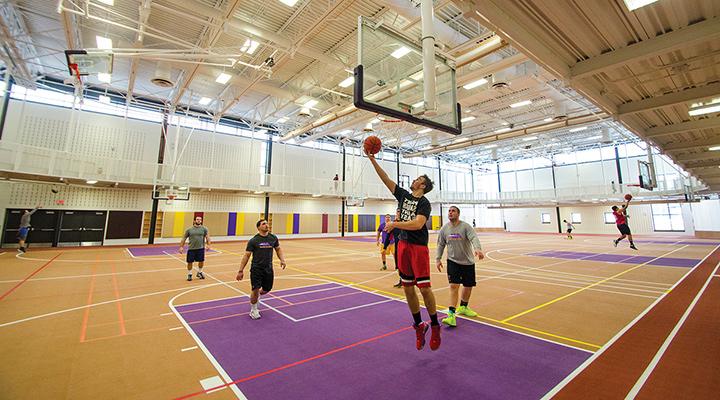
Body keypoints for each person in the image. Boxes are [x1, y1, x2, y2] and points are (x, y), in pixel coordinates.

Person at [366, 149, 441, 351]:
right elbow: (386, 179)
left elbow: (418, 224)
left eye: (417, 179)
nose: (413, 180)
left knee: (424, 288)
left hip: (418, 248)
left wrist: (396, 224)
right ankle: (419, 325)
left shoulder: (424, 203)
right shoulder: (403, 195)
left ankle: (434, 325)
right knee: (408, 288)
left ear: (422, 185)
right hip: (403, 246)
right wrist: (372, 160)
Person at [436, 206, 484, 327]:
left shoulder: (466, 226)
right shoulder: (444, 229)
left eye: (453, 211)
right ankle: (451, 314)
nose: (450, 213)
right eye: (449, 211)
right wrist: (438, 259)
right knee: (454, 286)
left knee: (468, 286)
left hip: (468, 262)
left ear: (458, 214)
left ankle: (463, 307)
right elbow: (440, 244)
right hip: (452, 261)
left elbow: (474, 238)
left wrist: (478, 249)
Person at [236, 219, 287, 320]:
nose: (267, 225)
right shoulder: (253, 240)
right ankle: (254, 309)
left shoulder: (273, 238)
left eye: (267, 223)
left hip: (268, 268)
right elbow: (246, 256)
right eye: (264, 224)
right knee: (255, 289)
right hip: (256, 269)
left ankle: (255, 296)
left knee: (267, 289)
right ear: (258, 227)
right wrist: (240, 270)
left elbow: (278, 249)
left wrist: (282, 260)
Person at [178, 216, 211, 281]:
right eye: (197, 219)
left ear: (201, 221)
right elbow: (184, 238)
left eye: (200, 220)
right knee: (190, 262)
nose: (199, 220)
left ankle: (200, 272)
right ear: (194, 221)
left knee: (201, 261)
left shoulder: (204, 229)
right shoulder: (189, 230)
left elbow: (207, 237)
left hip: (200, 248)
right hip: (191, 249)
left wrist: (208, 244)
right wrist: (181, 247)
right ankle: (189, 274)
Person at [383, 208, 402, 288]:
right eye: (397, 212)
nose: (398, 213)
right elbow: (388, 236)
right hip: (398, 248)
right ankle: (401, 280)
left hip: (407, 248)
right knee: (399, 266)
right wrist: (385, 246)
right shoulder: (393, 224)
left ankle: (409, 281)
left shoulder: (407, 223)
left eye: (399, 212)